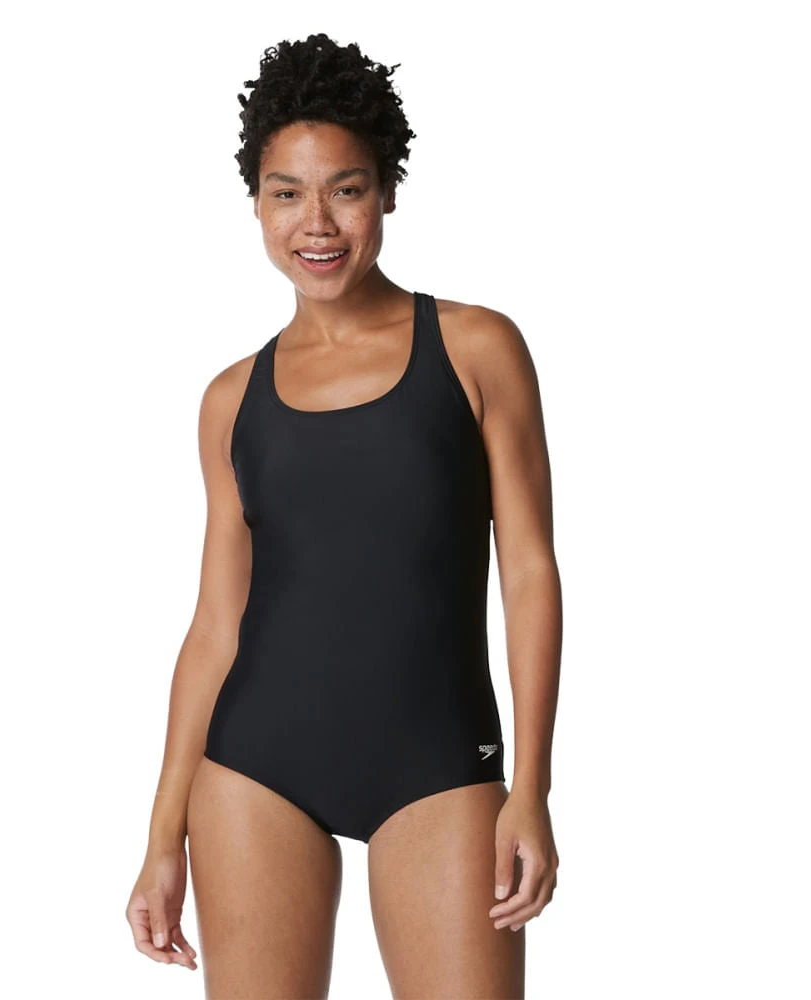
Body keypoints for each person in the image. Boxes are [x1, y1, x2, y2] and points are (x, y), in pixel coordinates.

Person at [125, 32, 561, 999]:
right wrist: (161, 838)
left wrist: (531, 784)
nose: (316, 223)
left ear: (388, 192)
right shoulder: (231, 400)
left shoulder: (476, 349)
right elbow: (215, 625)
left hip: (439, 765)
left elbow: (529, 572)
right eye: (287, 193)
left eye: (346, 189)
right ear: (256, 203)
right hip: (254, 770)